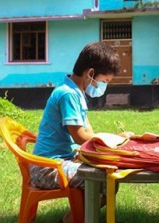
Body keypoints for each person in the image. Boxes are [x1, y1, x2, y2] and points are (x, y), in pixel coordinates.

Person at [30, 42, 120, 222]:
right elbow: (80, 137)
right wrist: (113, 141)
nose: (103, 86)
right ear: (91, 73)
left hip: (61, 161)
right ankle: (75, 219)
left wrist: (115, 140)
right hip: (47, 167)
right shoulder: (68, 94)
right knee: (102, 178)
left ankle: (75, 218)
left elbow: (89, 133)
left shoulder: (76, 92)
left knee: (110, 177)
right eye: (104, 82)